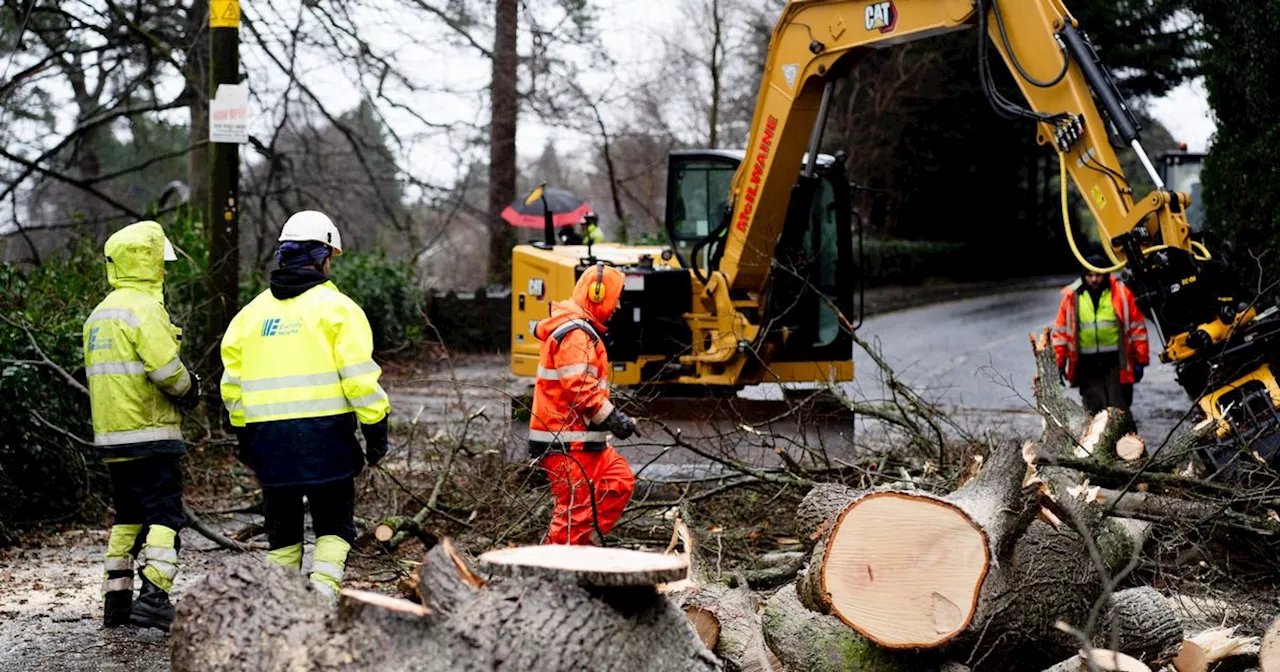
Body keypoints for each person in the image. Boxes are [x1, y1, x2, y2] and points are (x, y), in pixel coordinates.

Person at [219, 210, 390, 601]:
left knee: (282, 534)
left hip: (268, 442)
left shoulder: (250, 315)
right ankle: (321, 602)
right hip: (325, 439)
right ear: (323, 257)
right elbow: (360, 379)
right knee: (334, 529)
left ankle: (283, 609)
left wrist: (245, 435)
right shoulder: (338, 310)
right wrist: (376, 431)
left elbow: (232, 386)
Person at [85, 220, 200, 631]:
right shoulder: (145, 310)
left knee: (127, 517)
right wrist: (192, 391)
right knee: (165, 516)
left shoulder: (99, 315)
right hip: (152, 433)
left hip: (113, 438)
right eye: (160, 262)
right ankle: (155, 596)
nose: (164, 270)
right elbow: (167, 371)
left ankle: (116, 604)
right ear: (148, 262)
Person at [528, 261, 639, 545]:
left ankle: (581, 548)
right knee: (575, 513)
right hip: (568, 441)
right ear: (597, 294)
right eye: (615, 299)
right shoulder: (575, 334)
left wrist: (614, 419)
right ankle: (556, 571)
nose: (616, 308)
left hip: (585, 440)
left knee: (618, 481)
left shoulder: (581, 331)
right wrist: (616, 420)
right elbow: (581, 391)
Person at [1052, 253, 1150, 431]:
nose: (1094, 279)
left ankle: (1129, 446)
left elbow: (1137, 328)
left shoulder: (1120, 293)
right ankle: (1099, 449)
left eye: (1098, 275)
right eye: (1090, 275)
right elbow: (1061, 334)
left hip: (1115, 362)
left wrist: (1141, 360)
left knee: (1119, 407)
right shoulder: (1072, 297)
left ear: (1106, 274)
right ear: (1084, 276)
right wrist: (1059, 364)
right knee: (1094, 409)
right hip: (1086, 364)